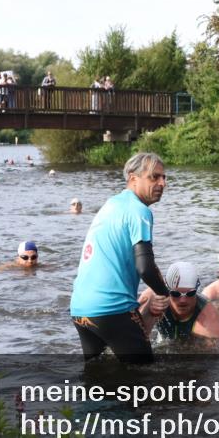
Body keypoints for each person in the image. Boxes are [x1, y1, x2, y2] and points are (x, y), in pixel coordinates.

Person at [69, 152, 171, 363]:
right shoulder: (139, 210)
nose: (162, 183)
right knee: (145, 375)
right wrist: (165, 294)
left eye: (164, 177)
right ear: (133, 178)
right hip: (111, 308)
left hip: (80, 308)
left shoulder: (112, 204)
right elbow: (145, 267)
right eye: (155, 177)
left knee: (97, 377)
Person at [138, 261, 219, 342]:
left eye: (190, 293)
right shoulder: (152, 298)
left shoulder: (208, 315)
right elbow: (135, 338)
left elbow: (215, 355)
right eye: (175, 294)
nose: (183, 300)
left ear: (196, 290)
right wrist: (150, 315)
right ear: (166, 289)